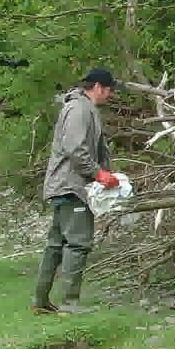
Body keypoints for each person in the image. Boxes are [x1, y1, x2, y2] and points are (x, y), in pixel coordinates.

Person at [33, 67, 120, 313]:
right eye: (109, 89)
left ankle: (40, 302)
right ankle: (70, 303)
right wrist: (99, 174)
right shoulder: (80, 109)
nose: (110, 94)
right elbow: (75, 149)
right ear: (98, 87)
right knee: (78, 243)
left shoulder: (80, 107)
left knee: (55, 244)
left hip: (64, 187)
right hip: (71, 188)